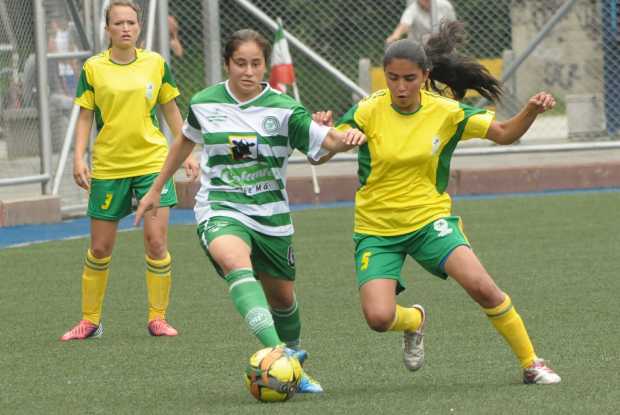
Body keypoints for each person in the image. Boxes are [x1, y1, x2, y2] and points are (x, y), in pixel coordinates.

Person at [315, 20, 561, 385]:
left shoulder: (446, 111)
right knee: (379, 318)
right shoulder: (368, 110)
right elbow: (321, 155)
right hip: (376, 230)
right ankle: (414, 320)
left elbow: (504, 133)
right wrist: (325, 134)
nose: (400, 87)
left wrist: (530, 110)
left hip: (430, 222)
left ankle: (531, 362)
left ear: (425, 75)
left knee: (482, 287)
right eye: (392, 78)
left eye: (409, 78)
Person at [134, 29, 366, 392]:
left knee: (283, 299)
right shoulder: (205, 102)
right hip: (220, 206)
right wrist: (156, 187)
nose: (248, 71)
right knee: (234, 263)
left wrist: (346, 139)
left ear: (265, 66)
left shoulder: (285, 109)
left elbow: (326, 143)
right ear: (227, 63)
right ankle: (282, 358)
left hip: (271, 215)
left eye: (256, 63)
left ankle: (292, 359)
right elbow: (185, 140)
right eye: (240, 63)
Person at [60, 0, 199, 341]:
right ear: (107, 29)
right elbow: (85, 116)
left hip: (153, 164)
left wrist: (187, 152)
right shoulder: (93, 68)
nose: (125, 28)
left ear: (139, 27)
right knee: (100, 248)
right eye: (118, 23)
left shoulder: (156, 63)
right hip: (109, 167)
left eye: (131, 23)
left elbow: (170, 109)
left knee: (156, 242)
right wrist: (78, 158)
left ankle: (158, 318)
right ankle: (90, 321)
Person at [386, 0, 456, 44]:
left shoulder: (445, 5)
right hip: (419, 48)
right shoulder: (412, 9)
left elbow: (453, 25)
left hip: (442, 45)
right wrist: (395, 36)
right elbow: (404, 25)